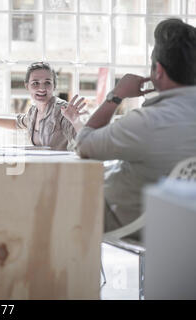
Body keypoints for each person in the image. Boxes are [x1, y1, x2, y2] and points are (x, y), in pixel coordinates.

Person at [75, 18, 196, 234]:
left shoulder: (147, 121)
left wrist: (117, 95)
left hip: (129, 221)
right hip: (182, 226)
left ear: (157, 70)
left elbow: (84, 144)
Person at [0, 62, 87, 150]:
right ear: (27, 86)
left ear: (54, 86)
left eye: (47, 83)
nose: (41, 88)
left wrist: (76, 121)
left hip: (60, 173)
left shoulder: (62, 110)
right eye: (35, 83)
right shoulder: (33, 111)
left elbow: (86, 143)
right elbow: (16, 122)